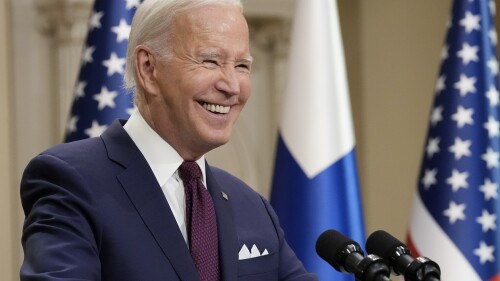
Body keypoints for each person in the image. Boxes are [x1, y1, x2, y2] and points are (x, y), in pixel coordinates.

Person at [20, 0, 318, 280]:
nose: (231, 86)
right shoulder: (71, 182)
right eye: (211, 61)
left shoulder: (252, 206)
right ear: (148, 68)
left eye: (242, 66)